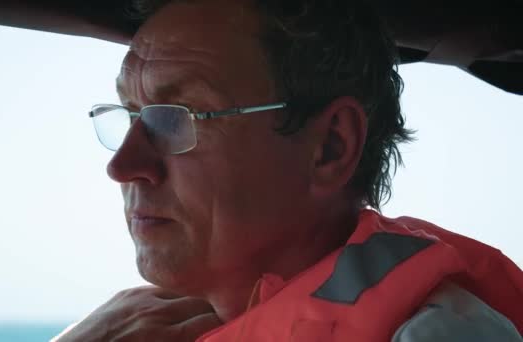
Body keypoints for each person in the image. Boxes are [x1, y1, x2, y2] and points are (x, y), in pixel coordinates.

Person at [54, 0, 523, 340]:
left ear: (330, 147)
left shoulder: (443, 334)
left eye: (178, 117)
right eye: (130, 114)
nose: (124, 166)